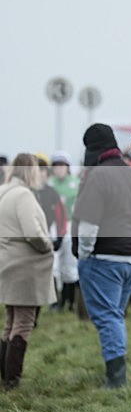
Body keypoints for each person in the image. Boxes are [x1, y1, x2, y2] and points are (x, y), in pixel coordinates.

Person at [72, 124, 131, 388]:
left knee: (107, 317)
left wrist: (83, 256)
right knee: (114, 316)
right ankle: (116, 373)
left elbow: (88, 225)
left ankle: (116, 380)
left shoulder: (98, 175)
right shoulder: (130, 173)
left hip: (105, 259)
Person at [0, 154, 56, 389]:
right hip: (24, 267)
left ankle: (4, 375)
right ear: (29, 171)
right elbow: (32, 232)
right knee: (23, 323)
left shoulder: (3, 191)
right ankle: (12, 380)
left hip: (7, 263)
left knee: (10, 323)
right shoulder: (23, 194)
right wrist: (47, 244)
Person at [49, 151, 80, 311]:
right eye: (56, 166)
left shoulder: (76, 183)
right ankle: (55, 301)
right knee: (53, 265)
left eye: (62, 166)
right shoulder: (49, 184)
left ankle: (69, 301)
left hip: (69, 225)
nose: (59, 169)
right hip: (54, 226)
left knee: (69, 265)